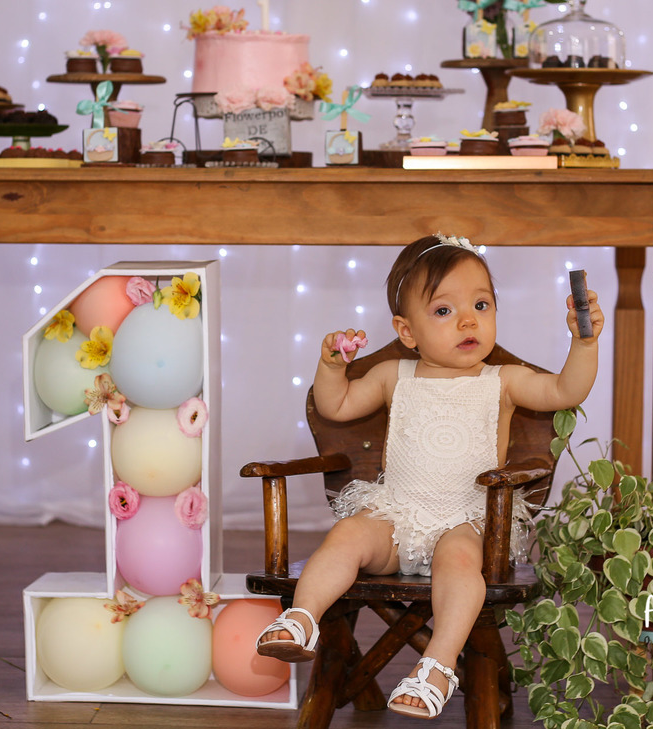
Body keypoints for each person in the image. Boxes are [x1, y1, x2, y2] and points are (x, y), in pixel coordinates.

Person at [255, 233, 604, 720]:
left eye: (481, 305)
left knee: (460, 562)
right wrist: (331, 366)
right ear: (407, 331)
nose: (467, 320)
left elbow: (566, 390)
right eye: (444, 311)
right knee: (348, 533)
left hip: (465, 518)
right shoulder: (392, 375)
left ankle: (437, 666)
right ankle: (302, 618)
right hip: (396, 516)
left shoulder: (502, 380)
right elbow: (334, 406)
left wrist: (583, 342)